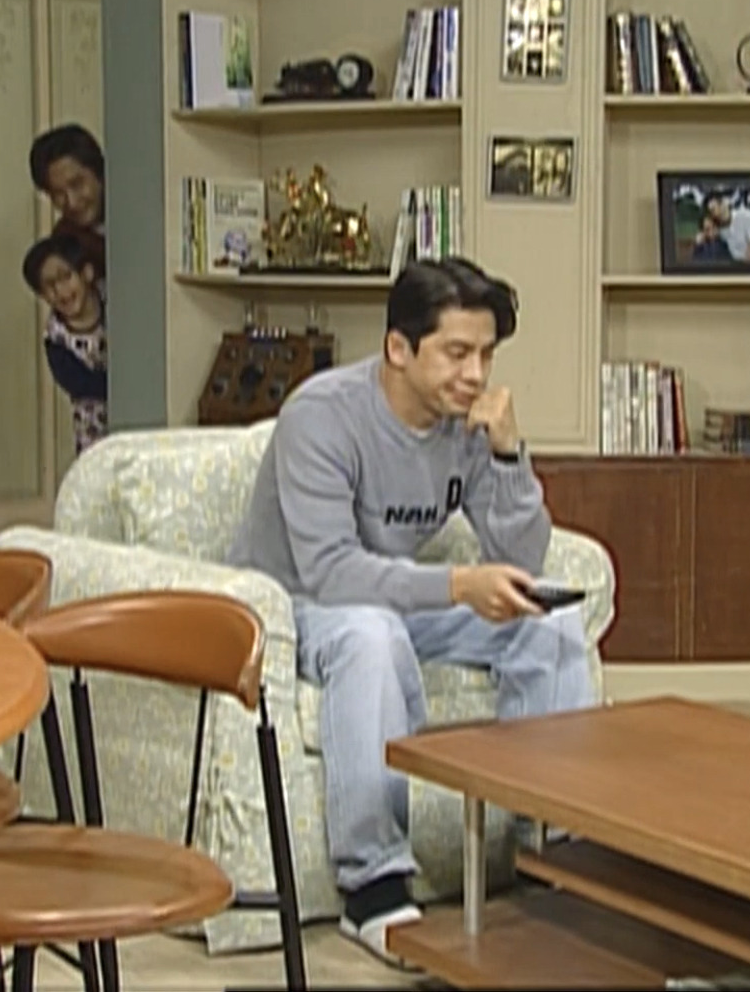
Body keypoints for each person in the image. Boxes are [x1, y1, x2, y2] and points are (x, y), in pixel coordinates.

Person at [227, 257, 596, 966]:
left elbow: (523, 554)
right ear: (398, 347)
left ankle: (549, 847)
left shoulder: (467, 424)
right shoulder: (322, 415)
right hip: (293, 605)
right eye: (456, 352)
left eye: (485, 354)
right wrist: (457, 585)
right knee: (371, 635)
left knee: (545, 618)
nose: (475, 374)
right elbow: (331, 571)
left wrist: (508, 454)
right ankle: (372, 884)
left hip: (394, 600)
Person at [21, 231, 107, 455]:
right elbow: (81, 385)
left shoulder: (112, 299)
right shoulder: (56, 339)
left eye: (66, 277)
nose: (61, 291)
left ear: (86, 273)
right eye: (50, 285)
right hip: (94, 432)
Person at [29, 123, 106, 278]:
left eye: (77, 184)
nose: (72, 202)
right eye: (58, 194)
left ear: (99, 174)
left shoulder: (140, 214)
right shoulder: (64, 243)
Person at [703, 191, 750, 263]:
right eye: (713, 210)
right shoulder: (719, 229)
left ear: (726, 202)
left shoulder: (745, 216)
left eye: (720, 204)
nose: (719, 211)